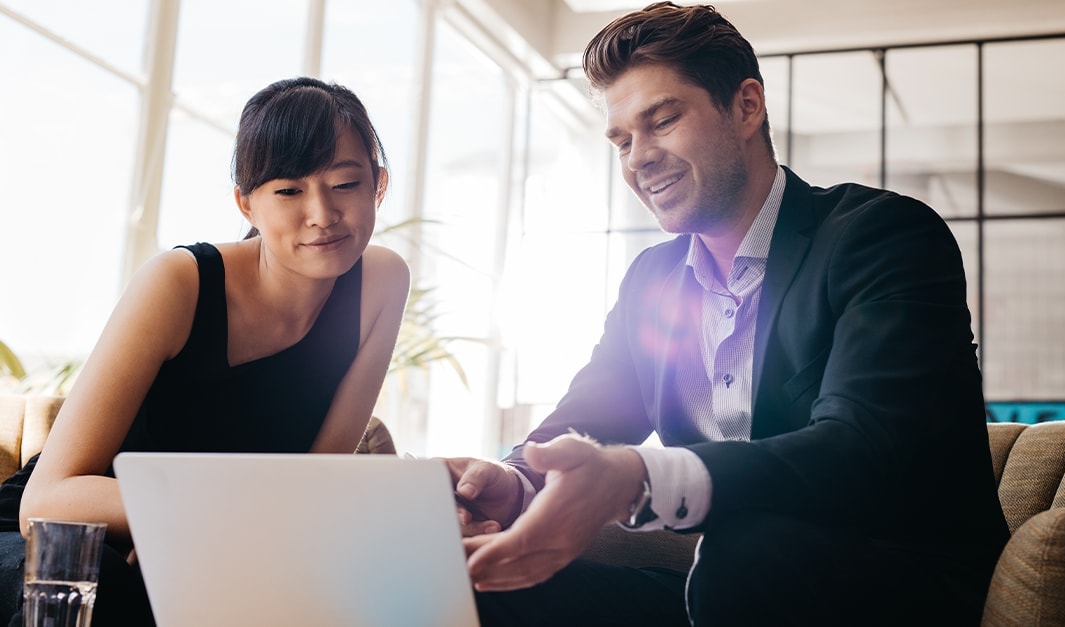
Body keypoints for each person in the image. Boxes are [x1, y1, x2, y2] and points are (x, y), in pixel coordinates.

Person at [446, 3, 1010, 625]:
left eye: (661, 121)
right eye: (622, 140)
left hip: (899, 583)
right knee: (474, 582)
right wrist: (515, 478)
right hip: (730, 588)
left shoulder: (882, 237)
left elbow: (864, 449)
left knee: (746, 555)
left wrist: (639, 478)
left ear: (746, 106)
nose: (638, 158)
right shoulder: (651, 280)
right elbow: (592, 415)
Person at [0, 76, 410, 626]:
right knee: (121, 595)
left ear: (377, 185)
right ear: (248, 204)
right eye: (289, 191)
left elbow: (316, 484)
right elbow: (48, 502)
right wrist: (184, 523)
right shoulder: (179, 282)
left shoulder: (382, 282)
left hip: (210, 538)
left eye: (345, 184)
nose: (322, 213)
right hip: (57, 549)